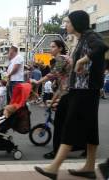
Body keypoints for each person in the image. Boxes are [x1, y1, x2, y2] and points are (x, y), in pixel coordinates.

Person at [35, 10, 109, 180]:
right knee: (91, 130)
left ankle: (54, 168)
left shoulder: (90, 36)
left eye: (68, 22)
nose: (66, 25)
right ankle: (89, 167)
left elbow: (102, 46)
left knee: (70, 126)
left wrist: (82, 60)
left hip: (84, 90)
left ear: (76, 22)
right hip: (83, 90)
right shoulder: (82, 38)